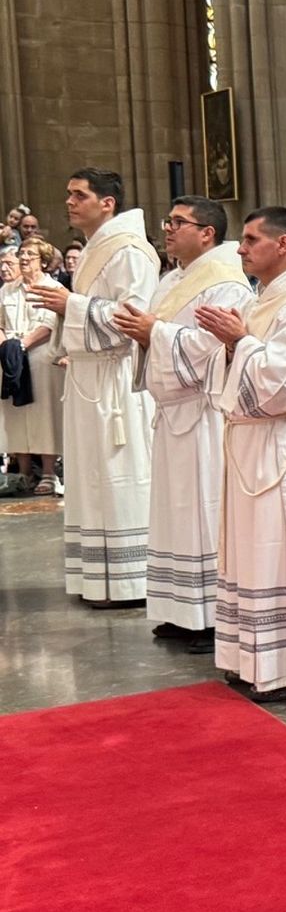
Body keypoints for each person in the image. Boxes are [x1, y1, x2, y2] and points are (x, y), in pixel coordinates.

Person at [194, 206, 286, 704]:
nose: (240, 248)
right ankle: (254, 658)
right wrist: (233, 345)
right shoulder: (266, 300)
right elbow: (240, 371)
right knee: (254, 551)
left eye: (252, 239)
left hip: (285, 441)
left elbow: (283, 387)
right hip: (254, 441)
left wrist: (240, 342)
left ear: (283, 245)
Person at [109, 196, 251, 652]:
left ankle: (210, 617)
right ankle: (177, 608)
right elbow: (160, 336)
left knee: (203, 511)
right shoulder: (172, 279)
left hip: (204, 414)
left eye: (177, 222)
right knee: (173, 513)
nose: (167, 229)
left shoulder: (227, 285)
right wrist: (145, 333)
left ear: (207, 232)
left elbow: (215, 350)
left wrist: (156, 332)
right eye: (167, 221)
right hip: (171, 412)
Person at [26, 168, 159, 607]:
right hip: (87, 378)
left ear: (108, 203)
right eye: (67, 194)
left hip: (115, 382)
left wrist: (72, 304)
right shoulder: (96, 250)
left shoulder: (131, 251)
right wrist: (68, 308)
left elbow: (132, 320)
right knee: (91, 477)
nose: (69, 201)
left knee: (119, 475)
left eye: (79, 195)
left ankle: (130, 580)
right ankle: (99, 578)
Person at [2, 241, 63, 494]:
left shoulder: (52, 288)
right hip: (11, 356)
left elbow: (49, 324)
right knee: (15, 414)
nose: (24, 257)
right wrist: (7, 346)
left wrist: (23, 344)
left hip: (40, 356)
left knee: (43, 414)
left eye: (30, 254)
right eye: (22, 253)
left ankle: (48, 472)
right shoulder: (7, 289)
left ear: (43, 260)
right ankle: (24, 473)